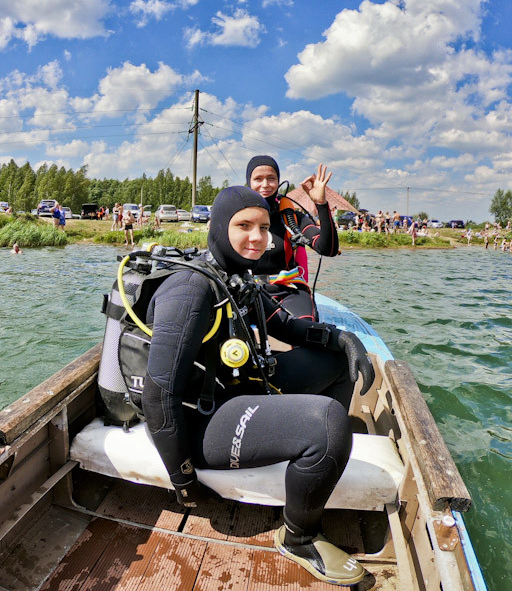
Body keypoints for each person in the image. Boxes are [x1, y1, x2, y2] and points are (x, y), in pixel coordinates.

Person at [137, 186, 374, 586]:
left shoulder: (236, 276)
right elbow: (158, 396)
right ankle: (299, 537)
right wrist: (184, 482)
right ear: (217, 227)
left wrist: (341, 339)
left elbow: (286, 326)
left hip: (238, 387)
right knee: (328, 422)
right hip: (202, 424)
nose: (258, 236)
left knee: (336, 362)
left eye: (264, 226)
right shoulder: (191, 290)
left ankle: (312, 462)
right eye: (243, 225)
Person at [245, 155, 339, 321]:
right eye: (258, 178)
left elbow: (328, 249)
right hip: (246, 291)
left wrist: (321, 204)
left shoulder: (292, 218)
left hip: (287, 292)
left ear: (278, 181)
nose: (265, 184)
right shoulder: (238, 216)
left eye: (271, 178)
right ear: (249, 182)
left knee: (305, 330)